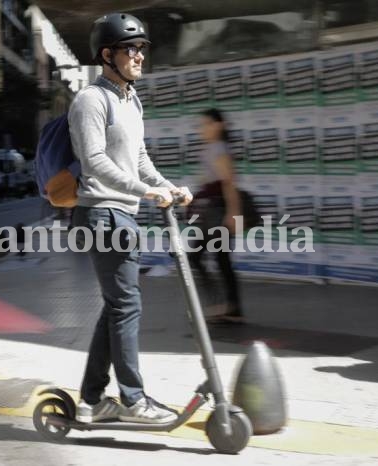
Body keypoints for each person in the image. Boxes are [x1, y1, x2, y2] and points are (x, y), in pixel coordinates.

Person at [68, 12, 192, 425]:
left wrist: (168, 185)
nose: (140, 56)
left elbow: (138, 159)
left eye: (141, 49)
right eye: (131, 49)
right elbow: (95, 160)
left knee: (116, 306)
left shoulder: (130, 99)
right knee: (127, 305)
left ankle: (90, 401)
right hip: (101, 214)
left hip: (123, 214)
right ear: (107, 54)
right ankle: (133, 400)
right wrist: (144, 191)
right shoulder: (91, 100)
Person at [188, 108, 244, 323]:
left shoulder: (218, 148)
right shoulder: (211, 149)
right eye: (201, 125)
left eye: (206, 124)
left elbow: (229, 183)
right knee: (222, 260)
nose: (202, 129)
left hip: (217, 212)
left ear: (218, 126)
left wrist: (233, 213)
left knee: (197, 257)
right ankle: (232, 308)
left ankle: (220, 305)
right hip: (212, 210)